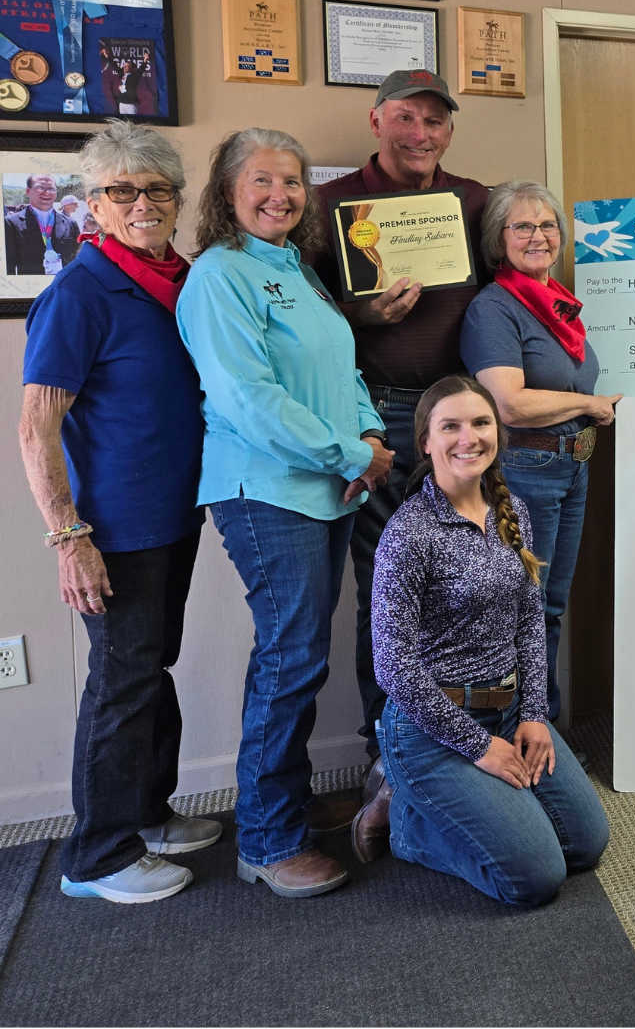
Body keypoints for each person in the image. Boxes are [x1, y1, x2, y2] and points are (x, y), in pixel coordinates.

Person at [177, 128, 392, 899]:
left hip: (323, 487)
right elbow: (245, 398)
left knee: (300, 654)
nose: (280, 196)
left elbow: (341, 372)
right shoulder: (220, 276)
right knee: (290, 658)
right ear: (228, 191)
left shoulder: (296, 269)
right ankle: (266, 840)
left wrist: (367, 433)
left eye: (293, 182)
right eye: (262, 181)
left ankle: (289, 804)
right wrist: (348, 456)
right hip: (265, 491)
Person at [18, 124, 211, 903]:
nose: (142, 204)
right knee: (121, 679)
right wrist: (69, 537)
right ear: (92, 204)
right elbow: (37, 425)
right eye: (121, 191)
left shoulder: (182, 278)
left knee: (148, 667)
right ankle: (97, 856)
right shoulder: (81, 290)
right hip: (112, 528)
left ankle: (146, 815)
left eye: (157, 189)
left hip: (175, 514)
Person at [353, 375, 610, 905]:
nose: (468, 438)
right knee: (535, 879)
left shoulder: (508, 508)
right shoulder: (410, 533)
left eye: (480, 423)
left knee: (586, 845)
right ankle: (407, 824)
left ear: (499, 432)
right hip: (433, 730)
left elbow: (529, 623)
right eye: (450, 426)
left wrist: (535, 713)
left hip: (511, 709)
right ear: (425, 440)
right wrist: (480, 748)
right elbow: (394, 668)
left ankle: (490, 810)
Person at [312, 69, 491, 760]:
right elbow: (306, 325)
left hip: (464, 423)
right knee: (390, 591)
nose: (422, 134)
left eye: (436, 121)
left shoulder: (473, 201)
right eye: (407, 118)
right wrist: (362, 315)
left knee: (470, 582)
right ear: (375, 120)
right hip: (380, 419)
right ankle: (387, 756)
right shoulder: (330, 205)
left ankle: (469, 741)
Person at [462, 181, 621, 720]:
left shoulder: (559, 305)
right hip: (526, 469)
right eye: (522, 226)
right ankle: (516, 733)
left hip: (571, 467)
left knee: (548, 606)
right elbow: (509, 404)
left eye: (548, 225)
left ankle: (539, 729)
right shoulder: (494, 309)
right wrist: (592, 405)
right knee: (521, 608)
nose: (538, 236)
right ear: (497, 239)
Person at [6, 173, 81, 275]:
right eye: (40, 187)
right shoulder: (11, 223)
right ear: (28, 191)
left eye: (51, 188)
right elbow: (8, 265)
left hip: (62, 286)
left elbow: (77, 260)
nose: (46, 192)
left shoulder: (71, 224)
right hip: (30, 286)